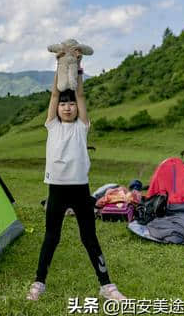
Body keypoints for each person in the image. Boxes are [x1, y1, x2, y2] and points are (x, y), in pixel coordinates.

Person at [27, 47, 126, 302]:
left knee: (89, 237)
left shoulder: (82, 127)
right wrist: (61, 66)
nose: (68, 107)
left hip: (80, 189)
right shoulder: (52, 126)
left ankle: (106, 286)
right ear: (58, 109)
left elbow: (80, 93)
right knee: (51, 237)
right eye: (64, 104)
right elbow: (54, 93)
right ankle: (39, 283)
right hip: (57, 190)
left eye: (71, 104)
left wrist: (78, 69)